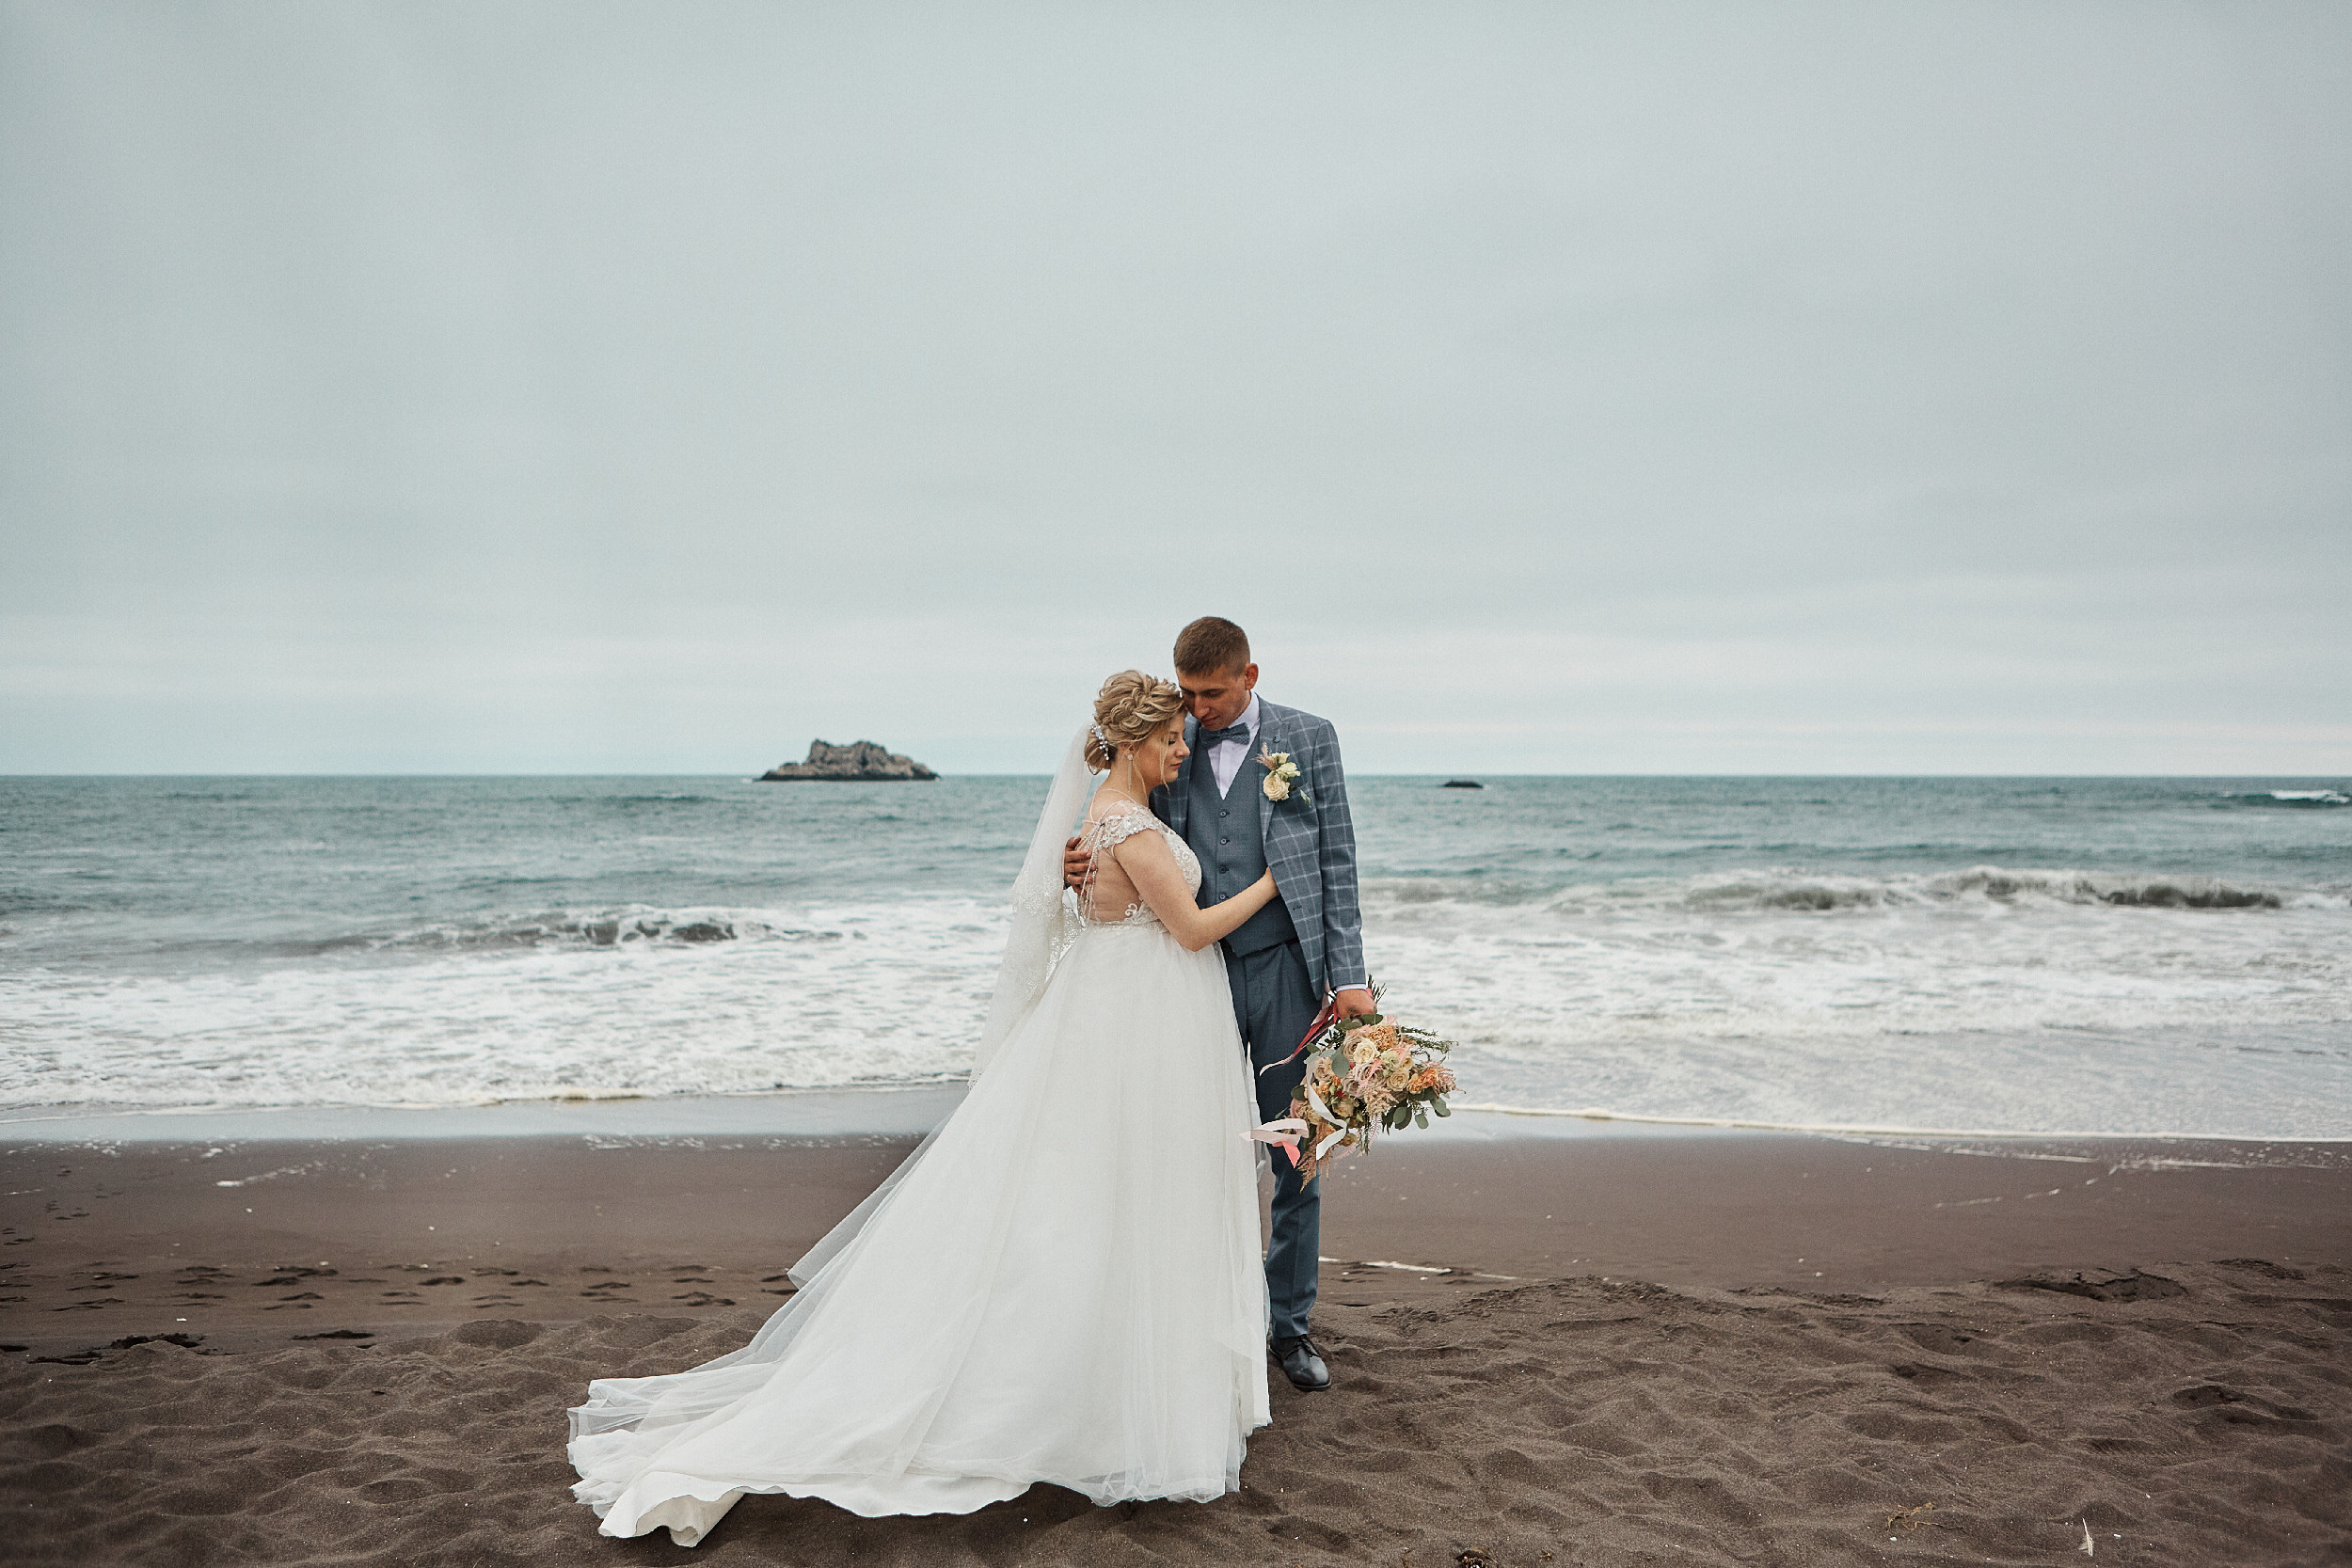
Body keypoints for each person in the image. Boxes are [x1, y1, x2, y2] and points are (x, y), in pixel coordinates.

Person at [566, 672, 1279, 1545]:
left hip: (1115, 1015)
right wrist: (1276, 882)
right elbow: (1195, 928)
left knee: (1089, 1200)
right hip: (1129, 1023)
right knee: (1106, 1199)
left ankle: (1109, 1373)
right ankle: (1094, 1396)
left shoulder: (1101, 815)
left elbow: (1089, 904)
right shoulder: (1124, 824)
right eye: (1172, 737)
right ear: (1135, 741)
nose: (1183, 748)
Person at [1062, 616, 1373, 1395]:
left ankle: (1289, 1326)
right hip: (1181, 972)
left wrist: (1350, 977)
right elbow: (1126, 819)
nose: (1196, 712)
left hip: (1283, 970)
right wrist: (1081, 858)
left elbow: (1337, 859)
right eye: (1188, 697)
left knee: (1295, 1151)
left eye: (1210, 694)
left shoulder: (1312, 738)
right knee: (1185, 1152)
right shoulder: (1169, 738)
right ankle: (1195, 1320)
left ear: (1250, 675)